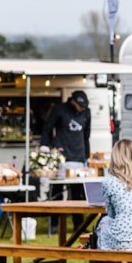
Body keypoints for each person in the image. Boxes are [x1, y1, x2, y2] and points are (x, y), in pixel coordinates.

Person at [40, 90, 92, 229]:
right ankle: (55, 223)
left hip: (79, 157)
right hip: (62, 156)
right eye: (80, 106)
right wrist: (45, 148)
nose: (82, 109)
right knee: (57, 190)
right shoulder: (59, 110)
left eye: (84, 107)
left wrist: (86, 155)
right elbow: (48, 128)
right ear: (72, 102)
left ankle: (79, 224)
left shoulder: (86, 113)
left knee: (77, 193)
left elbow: (86, 136)